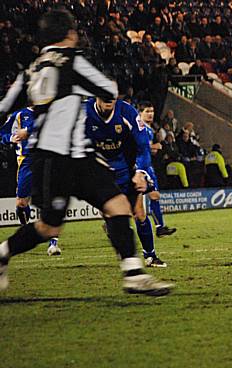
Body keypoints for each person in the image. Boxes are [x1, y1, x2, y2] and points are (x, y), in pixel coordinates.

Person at [0, 8, 172, 295]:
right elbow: (108, 89)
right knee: (49, 228)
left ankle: (133, 273)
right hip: (63, 158)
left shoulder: (31, 69)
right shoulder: (73, 61)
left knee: (115, 206)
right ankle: (3, 252)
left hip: (62, 157)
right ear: (69, 34)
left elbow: (5, 106)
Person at [86, 97, 169, 268]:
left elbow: (143, 147)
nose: (109, 98)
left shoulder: (127, 112)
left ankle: (150, 256)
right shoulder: (83, 111)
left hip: (126, 169)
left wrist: (140, 171)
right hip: (100, 171)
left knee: (139, 212)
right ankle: (125, 251)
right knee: (113, 216)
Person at [0, 107, 62, 255]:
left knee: (49, 201)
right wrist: (9, 138)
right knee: (21, 203)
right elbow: (2, 133)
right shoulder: (19, 115)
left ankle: (53, 244)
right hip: (27, 162)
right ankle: (26, 232)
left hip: (48, 158)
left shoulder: (52, 111)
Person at [138, 101, 177, 237]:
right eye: (147, 112)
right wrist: (154, 146)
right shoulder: (138, 128)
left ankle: (160, 227)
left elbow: (145, 148)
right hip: (138, 168)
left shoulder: (148, 129)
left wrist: (152, 149)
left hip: (148, 167)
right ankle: (111, 224)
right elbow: (136, 146)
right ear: (140, 113)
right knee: (134, 206)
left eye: (152, 111)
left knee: (155, 196)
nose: (150, 114)